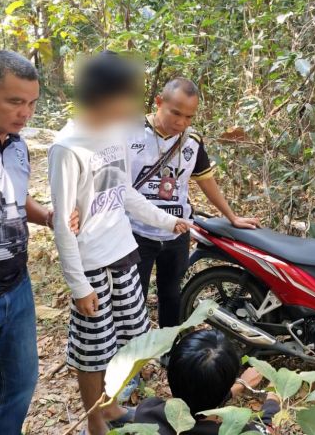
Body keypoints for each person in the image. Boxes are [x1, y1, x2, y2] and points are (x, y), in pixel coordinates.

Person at [48, 52, 191, 435]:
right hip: (92, 263)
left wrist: (166, 221)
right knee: (93, 352)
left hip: (123, 252)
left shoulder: (115, 134)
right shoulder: (67, 147)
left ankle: (110, 406)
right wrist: (79, 285)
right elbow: (63, 224)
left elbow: (123, 191)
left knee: (130, 339)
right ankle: (94, 421)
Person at [0, 50, 78, 435]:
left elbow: (12, 197)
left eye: (31, 103)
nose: (25, 113)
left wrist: (47, 216)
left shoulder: (16, 144)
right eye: (15, 102)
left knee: (20, 383)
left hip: (17, 287)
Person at [128, 78, 259, 327]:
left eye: (189, 117)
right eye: (175, 113)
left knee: (171, 294)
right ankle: (134, 346)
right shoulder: (130, 131)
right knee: (134, 297)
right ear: (159, 102)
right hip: (136, 231)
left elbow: (206, 181)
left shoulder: (192, 141)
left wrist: (232, 216)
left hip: (177, 231)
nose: (181, 122)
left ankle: (170, 345)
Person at [135, 329, 280, 434]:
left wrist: (239, 385)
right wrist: (274, 398)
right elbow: (267, 429)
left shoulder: (146, 412)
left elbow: (194, 403)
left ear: (170, 375)